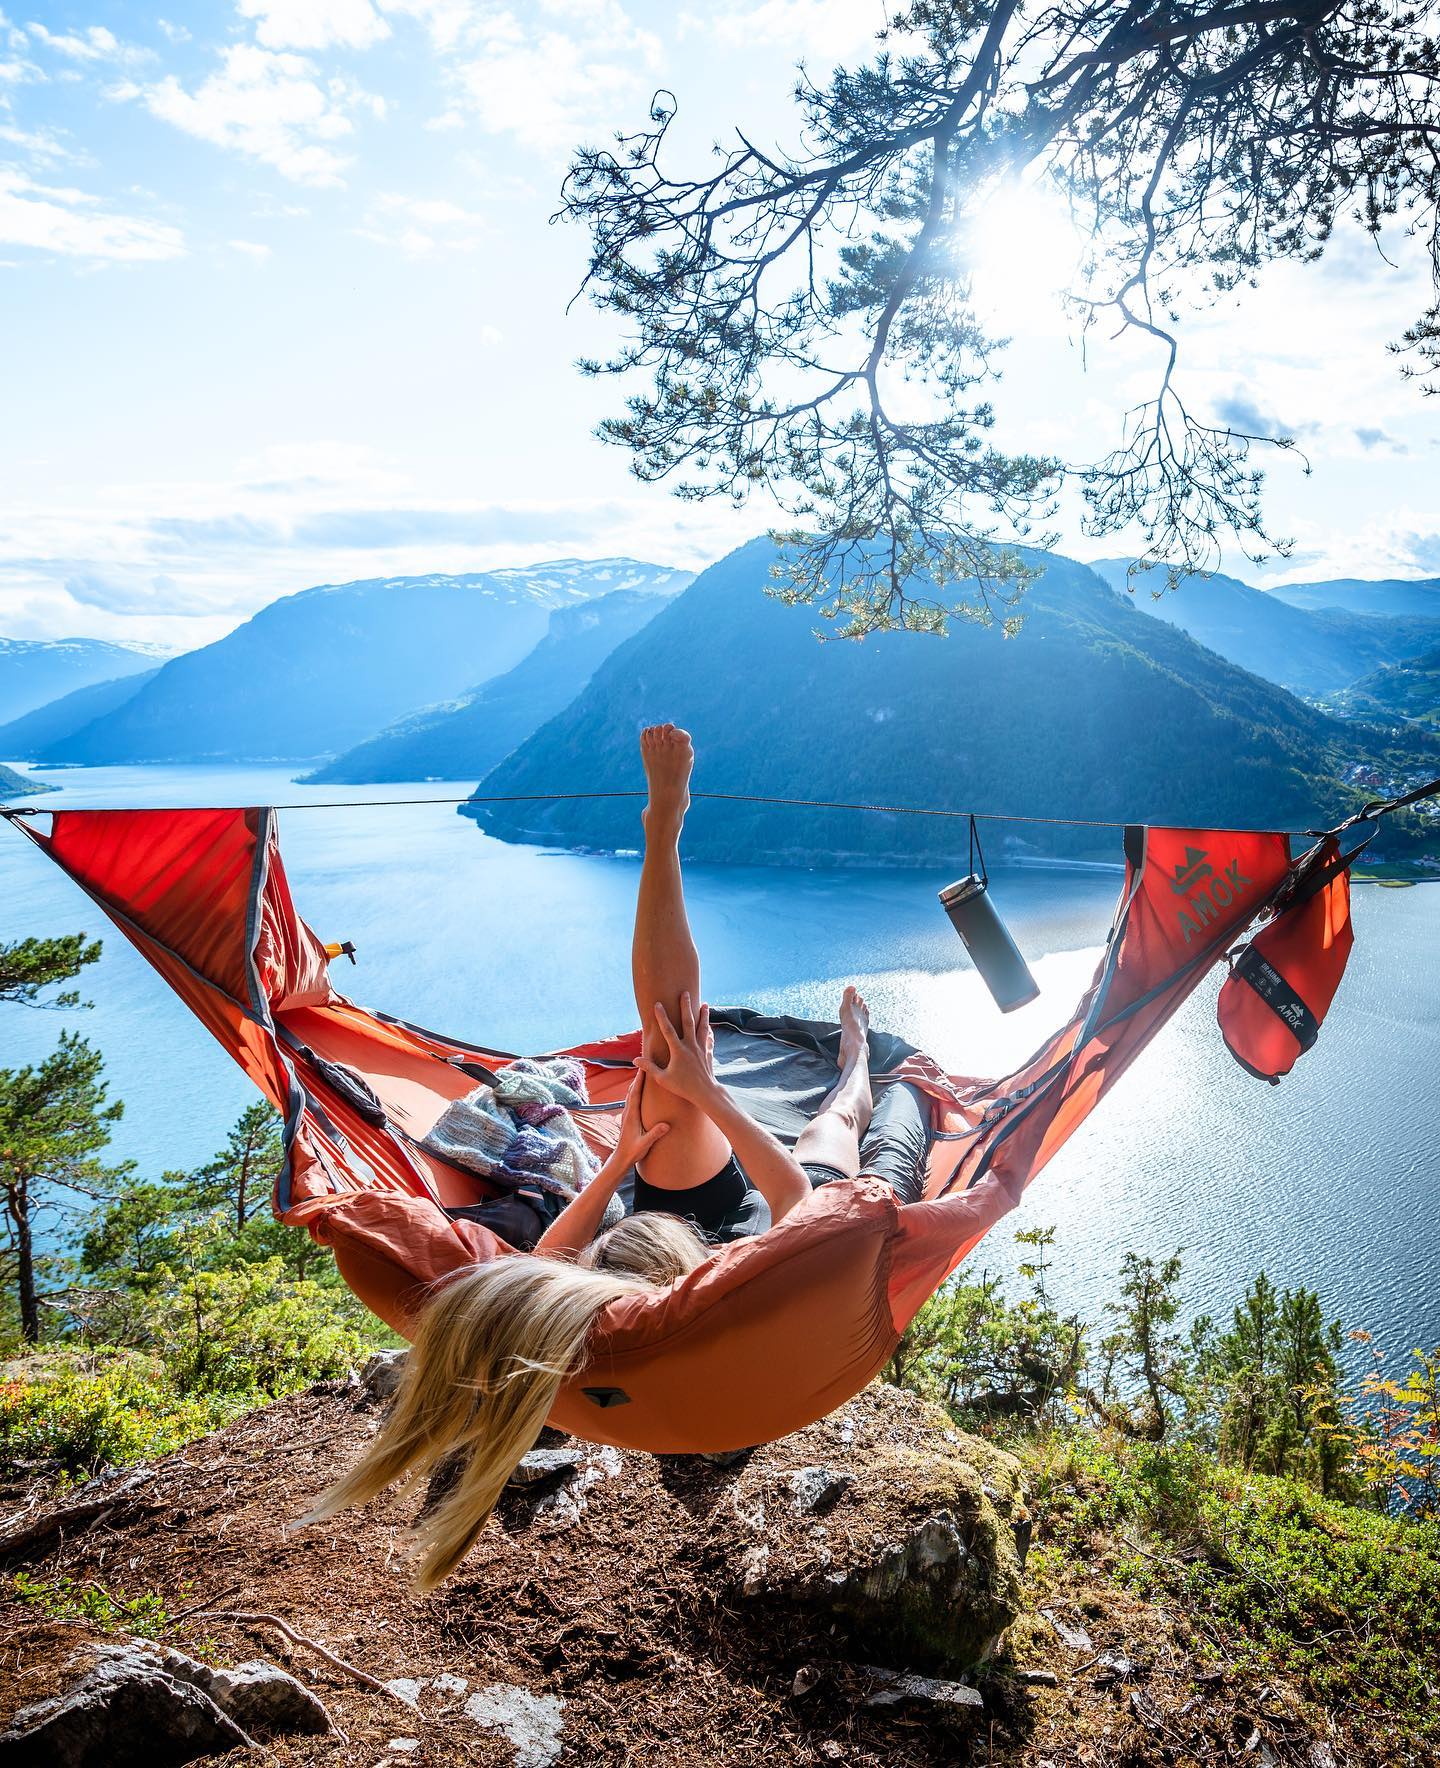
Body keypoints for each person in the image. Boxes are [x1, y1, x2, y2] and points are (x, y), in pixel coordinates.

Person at [307, 726, 955, 1589]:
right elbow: (805, 1206)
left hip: (658, 1237)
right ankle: (855, 1050)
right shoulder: (739, 1279)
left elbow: (546, 1264)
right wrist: (709, 1094)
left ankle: (663, 839)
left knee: (663, 1064)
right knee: (835, 1121)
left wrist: (620, 1159)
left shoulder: (581, 1324)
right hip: (759, 1229)